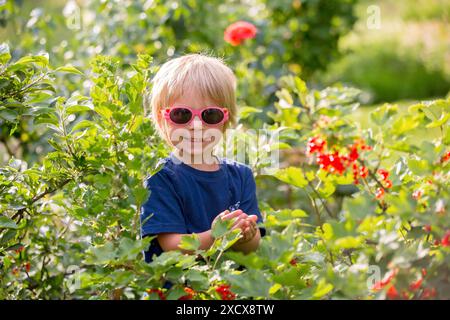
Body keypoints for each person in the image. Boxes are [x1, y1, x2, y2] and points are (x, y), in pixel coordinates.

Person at [141, 53, 266, 264]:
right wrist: (216, 236)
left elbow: (253, 249)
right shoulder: (160, 176)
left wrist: (246, 234)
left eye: (210, 115)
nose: (196, 125)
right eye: (181, 115)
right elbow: (171, 245)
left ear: (225, 119)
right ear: (162, 118)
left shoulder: (241, 176)